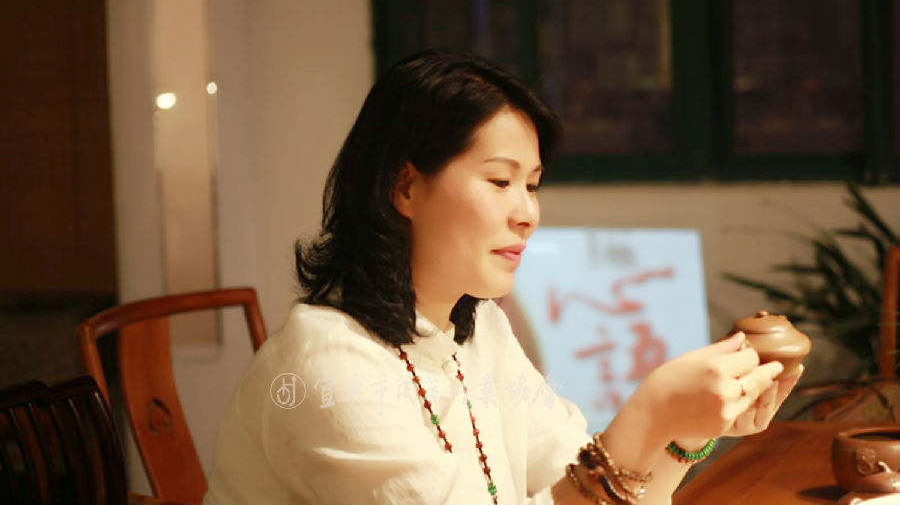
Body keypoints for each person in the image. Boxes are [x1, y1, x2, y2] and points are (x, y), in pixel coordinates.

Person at [203, 49, 803, 505]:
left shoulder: (476, 328)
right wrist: (649, 411)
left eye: (532, 185)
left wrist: (682, 431)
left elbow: (591, 488)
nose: (527, 213)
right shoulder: (328, 366)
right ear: (405, 187)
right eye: (499, 181)